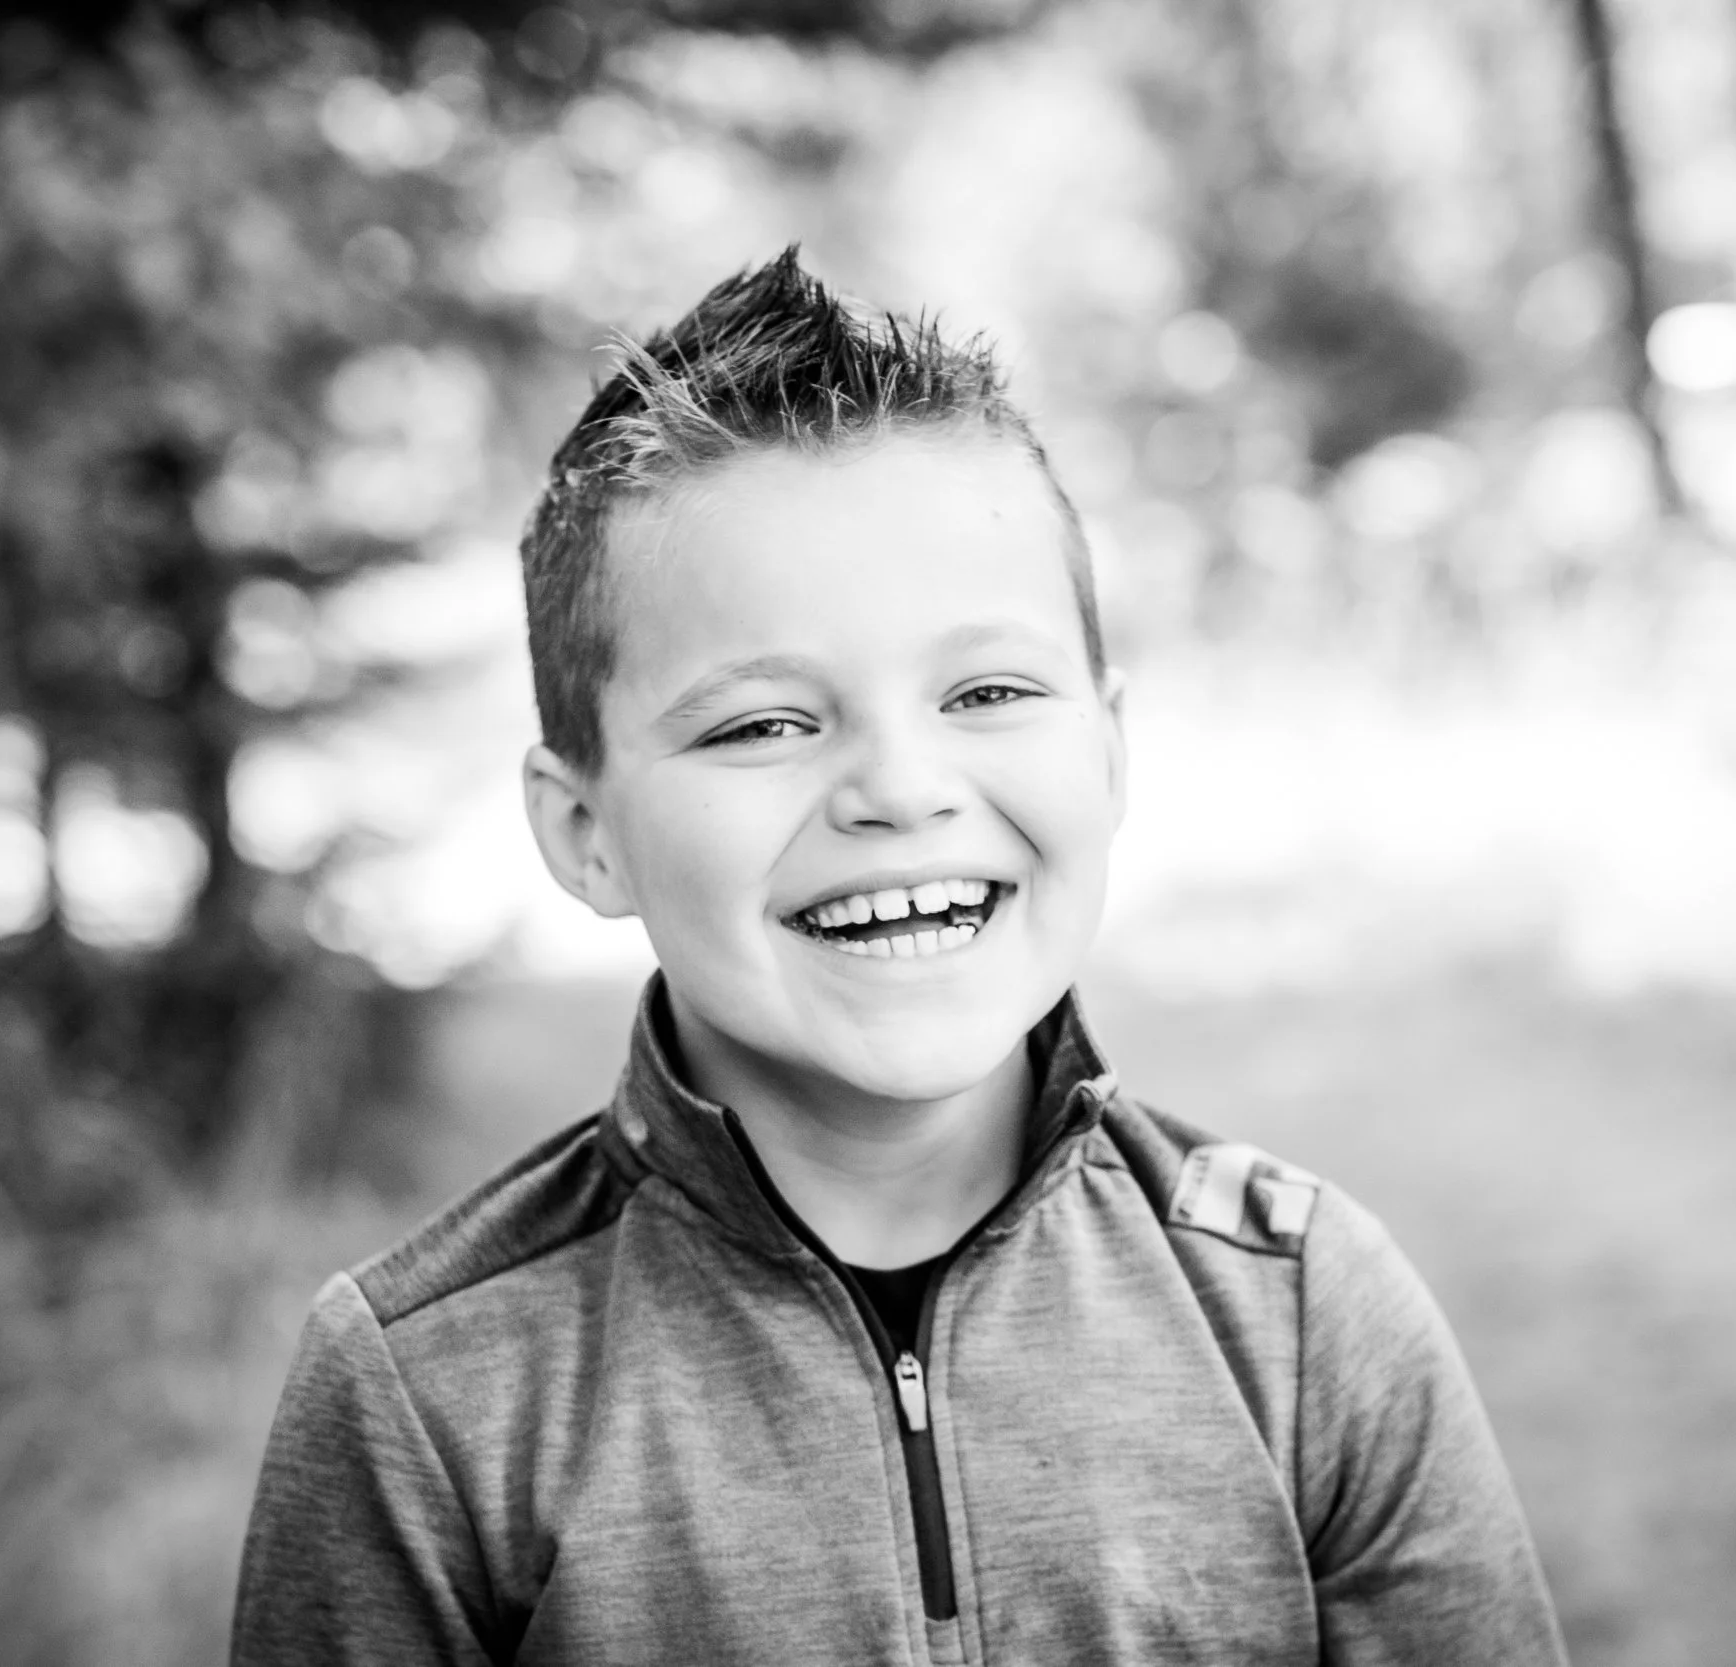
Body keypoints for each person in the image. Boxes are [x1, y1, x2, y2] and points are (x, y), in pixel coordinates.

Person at [229, 248, 1569, 1666]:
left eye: (986, 691)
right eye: (762, 723)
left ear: (1107, 752)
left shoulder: (1298, 1311)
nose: (901, 788)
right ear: (585, 832)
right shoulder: (427, 1393)